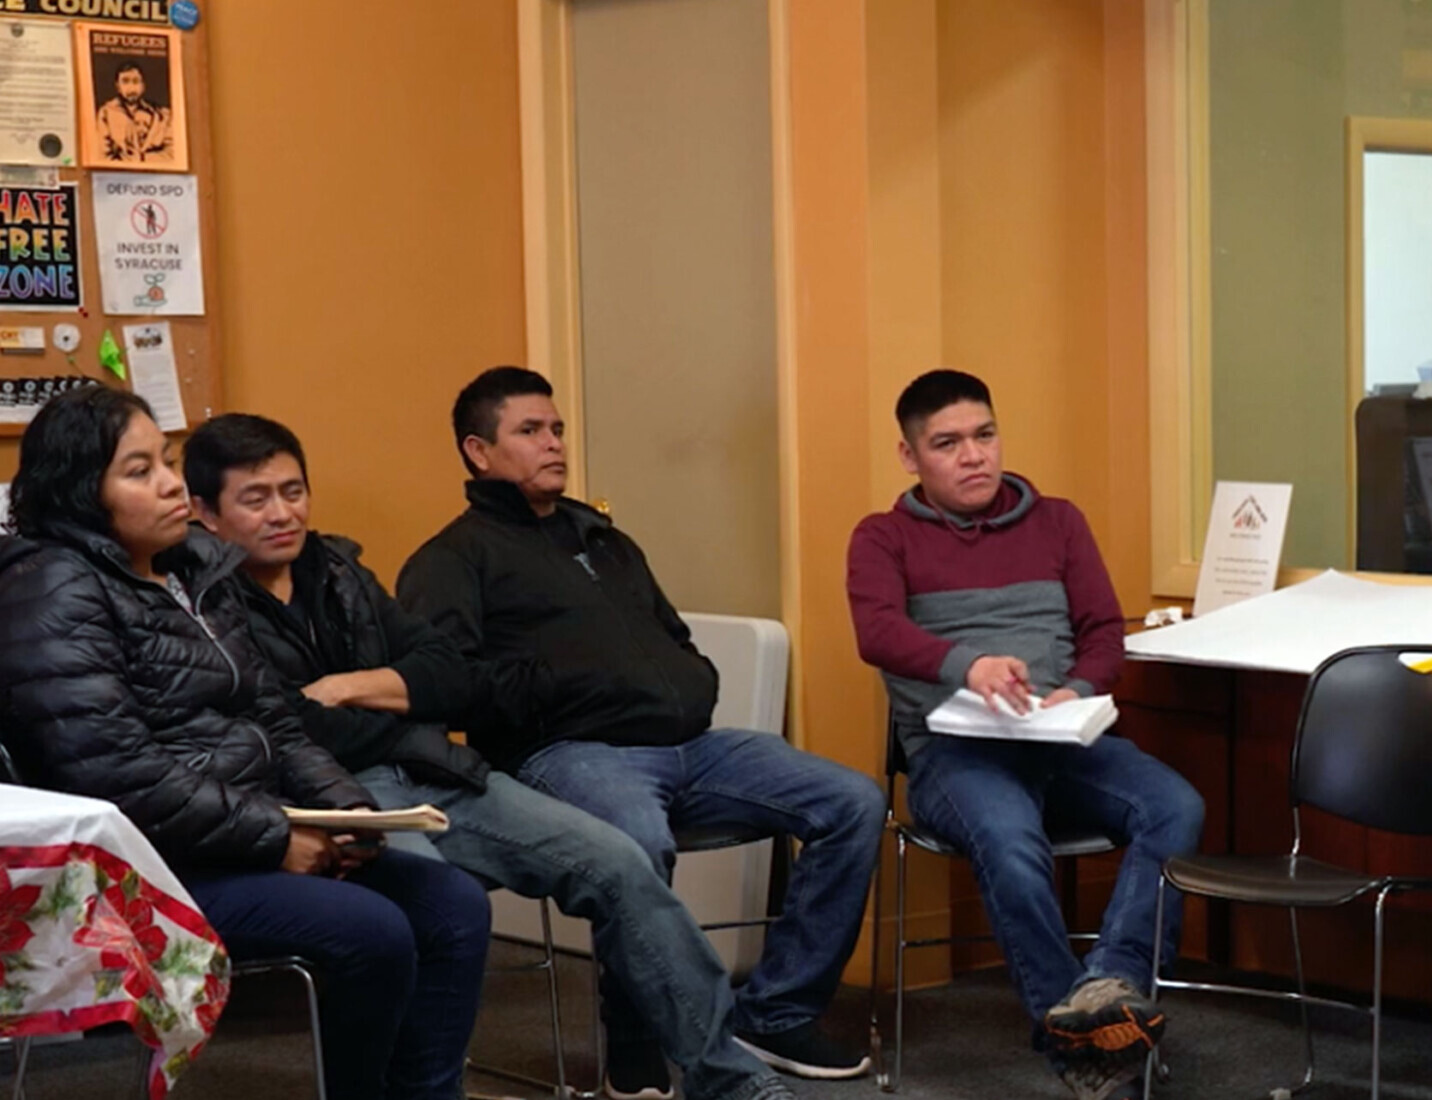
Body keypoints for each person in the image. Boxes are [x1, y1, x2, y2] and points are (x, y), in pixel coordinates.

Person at [184, 413, 807, 1100]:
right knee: (426, 911)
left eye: (293, 490)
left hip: (435, 773)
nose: (283, 512)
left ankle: (727, 1076)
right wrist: (396, 708)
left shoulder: (337, 571)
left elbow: (453, 675)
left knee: (619, 863)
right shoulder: (195, 601)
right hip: (329, 800)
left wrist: (350, 689)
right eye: (256, 498)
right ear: (206, 513)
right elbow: (285, 730)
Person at [396, 366, 882, 1087]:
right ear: (478, 451)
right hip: (569, 755)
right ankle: (636, 1047)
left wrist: (694, 681)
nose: (553, 444)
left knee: (853, 801)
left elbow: (673, 635)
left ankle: (775, 1015)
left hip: (692, 747)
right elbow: (448, 685)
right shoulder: (451, 560)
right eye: (529, 431)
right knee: (636, 845)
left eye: (556, 428)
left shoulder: (604, 540)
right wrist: (568, 687)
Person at [0, 387, 489, 1100]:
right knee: (374, 930)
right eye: (139, 471)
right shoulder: (50, 586)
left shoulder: (193, 574)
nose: (171, 482)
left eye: (165, 461)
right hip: (147, 868)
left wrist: (347, 816)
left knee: (453, 904)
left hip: (242, 834)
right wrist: (274, 837)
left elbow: (278, 724)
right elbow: (114, 773)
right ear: (82, 493)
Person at [846, 369, 1204, 1100]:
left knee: (1175, 806)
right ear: (910, 456)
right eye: (947, 443)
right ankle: (1079, 1041)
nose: (973, 455)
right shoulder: (882, 538)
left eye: (985, 435)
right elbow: (876, 632)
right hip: (957, 755)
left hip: (1063, 738)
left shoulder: (1058, 521)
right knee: (1011, 842)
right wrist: (967, 664)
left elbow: (1104, 631)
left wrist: (1075, 689)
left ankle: (1108, 987)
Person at [94, 59, 172, 163]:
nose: (131, 88)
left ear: (143, 86)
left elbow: (172, 153)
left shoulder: (161, 115)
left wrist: (143, 159)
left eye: (136, 81)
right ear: (117, 86)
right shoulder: (106, 113)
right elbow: (102, 155)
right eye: (125, 81)